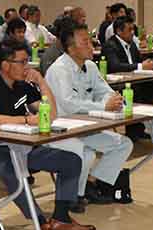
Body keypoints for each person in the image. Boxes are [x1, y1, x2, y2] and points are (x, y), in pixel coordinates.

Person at [0, 40, 93, 230]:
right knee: (15, 171)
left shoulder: (22, 85)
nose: (27, 66)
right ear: (5, 65)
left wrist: (41, 82)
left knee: (71, 160)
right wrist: (25, 120)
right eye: (22, 62)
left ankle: (60, 219)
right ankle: (40, 222)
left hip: (21, 145)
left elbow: (51, 114)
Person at [46, 25, 135, 206]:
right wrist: (104, 106)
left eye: (90, 40)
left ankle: (91, 183)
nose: (91, 45)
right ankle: (74, 197)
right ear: (71, 48)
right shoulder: (59, 70)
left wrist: (115, 100)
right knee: (85, 153)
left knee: (123, 144)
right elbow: (69, 104)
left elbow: (104, 91)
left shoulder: (90, 66)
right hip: (61, 130)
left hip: (86, 127)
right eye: (85, 42)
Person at [99, 16, 153, 140]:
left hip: (133, 79)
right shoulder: (110, 45)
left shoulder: (132, 44)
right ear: (119, 31)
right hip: (116, 83)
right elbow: (115, 66)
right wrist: (141, 66)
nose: (132, 32)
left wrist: (148, 63)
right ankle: (134, 130)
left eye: (133, 29)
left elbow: (138, 61)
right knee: (136, 92)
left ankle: (140, 128)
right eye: (129, 29)